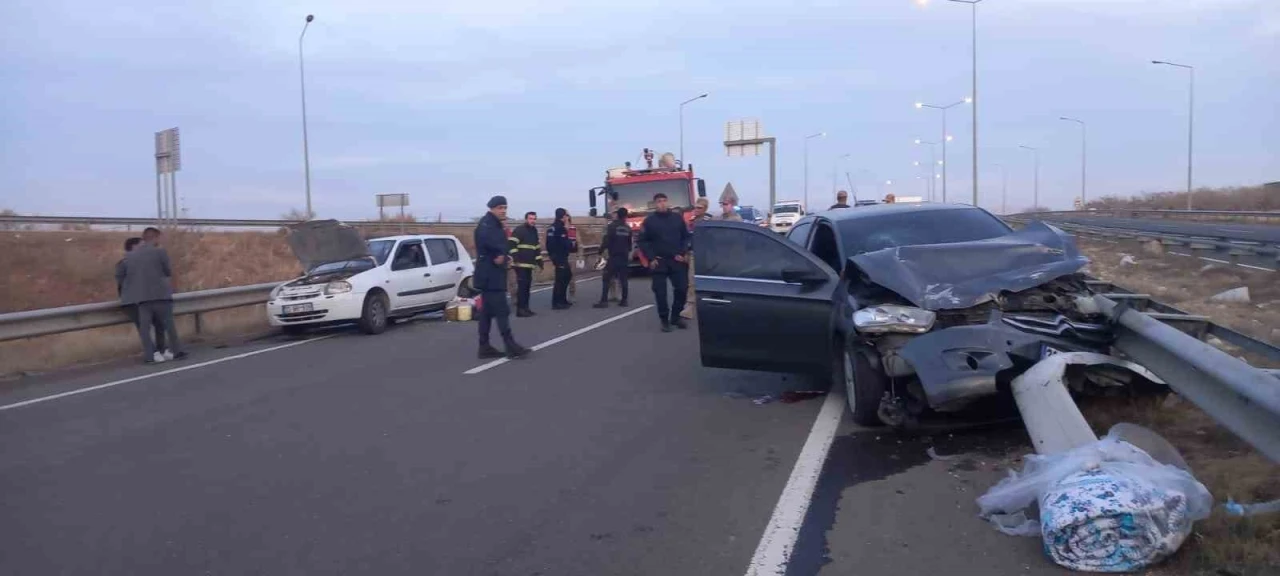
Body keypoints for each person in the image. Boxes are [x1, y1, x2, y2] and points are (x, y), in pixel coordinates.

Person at [474, 196, 530, 359]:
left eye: (505, 207)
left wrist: (505, 257)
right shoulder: (488, 226)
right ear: (492, 208)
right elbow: (495, 247)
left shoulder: (493, 224)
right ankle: (510, 345)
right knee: (502, 311)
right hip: (491, 276)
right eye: (500, 208)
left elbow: (500, 249)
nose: (503, 210)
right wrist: (502, 257)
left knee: (486, 313)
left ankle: (484, 346)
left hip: (490, 274)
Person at [119, 227, 185, 364]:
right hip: (161, 295)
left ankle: (150, 356)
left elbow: (128, 277)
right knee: (168, 325)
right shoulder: (160, 252)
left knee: (144, 329)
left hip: (142, 298)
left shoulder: (130, 256)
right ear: (154, 237)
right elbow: (167, 271)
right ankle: (176, 351)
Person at [638, 192, 692, 332]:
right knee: (660, 292)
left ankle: (675, 316)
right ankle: (664, 320)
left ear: (668, 202)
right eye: (659, 201)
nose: (662, 203)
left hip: (676, 260)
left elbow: (686, 237)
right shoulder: (649, 221)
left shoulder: (677, 219)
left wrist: (683, 252)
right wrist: (651, 258)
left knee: (682, 288)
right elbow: (642, 241)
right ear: (655, 204)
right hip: (659, 262)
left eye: (664, 201)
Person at [116, 236, 168, 357]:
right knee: (143, 327)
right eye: (142, 245)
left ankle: (162, 350)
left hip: (149, 298)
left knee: (159, 323)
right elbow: (121, 283)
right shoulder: (123, 263)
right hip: (133, 301)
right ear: (133, 247)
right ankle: (153, 353)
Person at [679, 198, 714, 320]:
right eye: (695, 207)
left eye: (699, 208)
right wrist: (686, 253)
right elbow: (688, 239)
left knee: (709, 280)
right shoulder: (692, 221)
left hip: (708, 254)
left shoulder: (710, 220)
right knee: (692, 281)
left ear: (705, 208)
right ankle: (690, 306)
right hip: (694, 253)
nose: (696, 210)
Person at [594, 207, 633, 308]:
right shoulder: (628, 228)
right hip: (624, 256)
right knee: (623, 279)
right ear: (626, 216)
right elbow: (630, 244)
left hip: (613, 256)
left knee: (606, 278)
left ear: (618, 215)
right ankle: (624, 300)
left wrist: (600, 251)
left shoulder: (612, 226)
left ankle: (604, 301)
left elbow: (606, 241)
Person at [509, 211, 543, 317]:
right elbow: (511, 244)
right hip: (520, 265)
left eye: (534, 219)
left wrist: (539, 261)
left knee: (527, 287)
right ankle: (520, 310)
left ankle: (526, 308)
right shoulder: (520, 230)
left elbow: (536, 247)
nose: (533, 221)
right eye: (531, 218)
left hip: (530, 264)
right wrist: (516, 258)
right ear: (526, 219)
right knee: (522, 288)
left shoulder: (534, 231)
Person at [547, 207, 574, 310]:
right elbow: (557, 244)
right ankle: (557, 302)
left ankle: (562, 299)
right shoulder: (557, 228)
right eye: (566, 215)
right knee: (560, 280)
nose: (568, 217)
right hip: (559, 257)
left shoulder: (560, 227)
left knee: (567, 276)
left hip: (562, 256)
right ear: (563, 217)